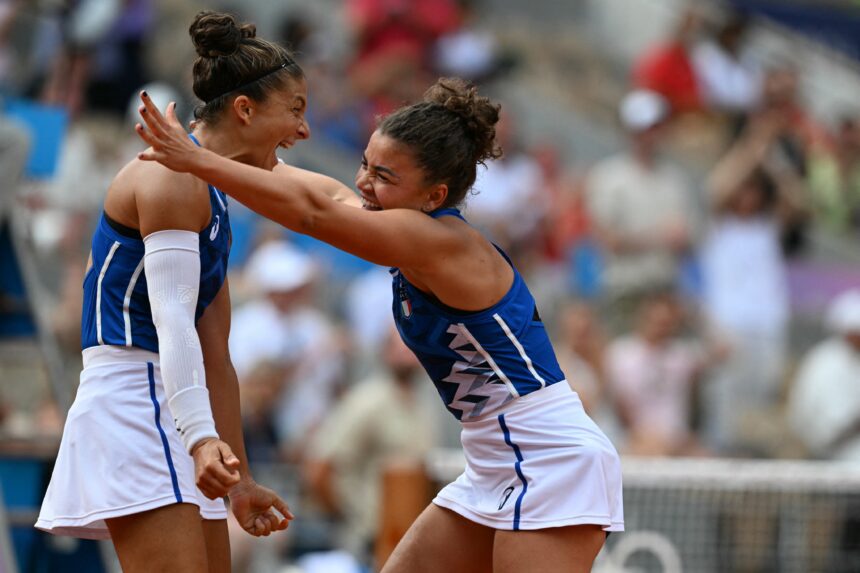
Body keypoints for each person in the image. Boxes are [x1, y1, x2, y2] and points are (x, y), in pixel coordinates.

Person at [136, 76, 623, 573]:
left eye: (385, 176)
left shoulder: (441, 243)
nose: (364, 182)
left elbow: (312, 214)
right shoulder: (401, 224)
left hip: (548, 458)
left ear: (434, 195)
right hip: (495, 459)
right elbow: (307, 188)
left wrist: (196, 160)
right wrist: (208, 145)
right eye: (365, 163)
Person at [35, 11, 305, 572]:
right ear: (245, 109)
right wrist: (204, 439)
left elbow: (214, 350)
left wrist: (240, 479)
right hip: (139, 400)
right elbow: (174, 320)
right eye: (296, 110)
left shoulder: (216, 190)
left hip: (176, 403)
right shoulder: (171, 177)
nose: (303, 130)